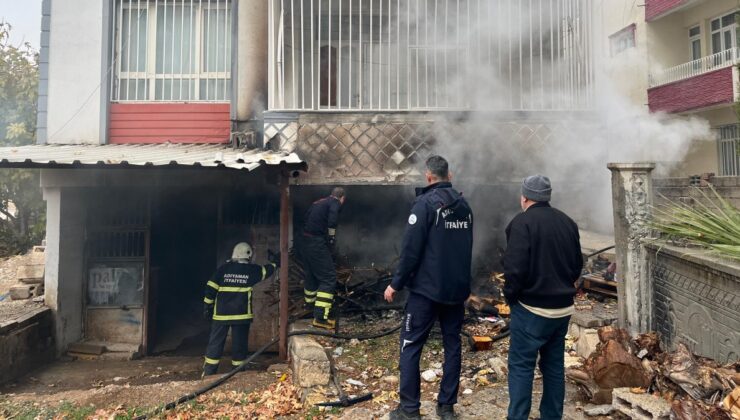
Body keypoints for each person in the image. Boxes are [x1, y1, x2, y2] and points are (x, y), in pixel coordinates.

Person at [384, 156, 474, 420]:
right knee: (453, 346)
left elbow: (410, 251)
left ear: (428, 176)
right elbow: (466, 248)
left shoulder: (424, 205)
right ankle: (446, 407)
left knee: (410, 345)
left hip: (426, 292)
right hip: (455, 292)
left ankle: (409, 410)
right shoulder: (464, 206)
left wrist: (395, 284)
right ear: (450, 175)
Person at [503, 175, 583, 420]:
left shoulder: (521, 223)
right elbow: (577, 265)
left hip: (531, 310)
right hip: (562, 310)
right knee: (553, 366)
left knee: (521, 366)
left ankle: (517, 417)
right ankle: (551, 416)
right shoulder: (567, 222)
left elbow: (515, 270)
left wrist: (510, 297)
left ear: (524, 197)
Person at [202, 242, 280, 376]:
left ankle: (209, 372)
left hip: (221, 315)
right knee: (239, 346)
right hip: (241, 316)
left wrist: (207, 306)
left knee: (215, 343)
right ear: (248, 256)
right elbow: (265, 271)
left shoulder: (223, 269)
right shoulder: (251, 270)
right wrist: (275, 263)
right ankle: (238, 373)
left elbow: (210, 287)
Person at [301, 187, 346, 330]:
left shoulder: (318, 202)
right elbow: (332, 220)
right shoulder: (335, 202)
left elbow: (306, 218)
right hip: (316, 242)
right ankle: (320, 318)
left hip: (305, 241)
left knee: (312, 275)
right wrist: (331, 238)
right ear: (342, 198)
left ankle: (310, 307)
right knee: (329, 277)